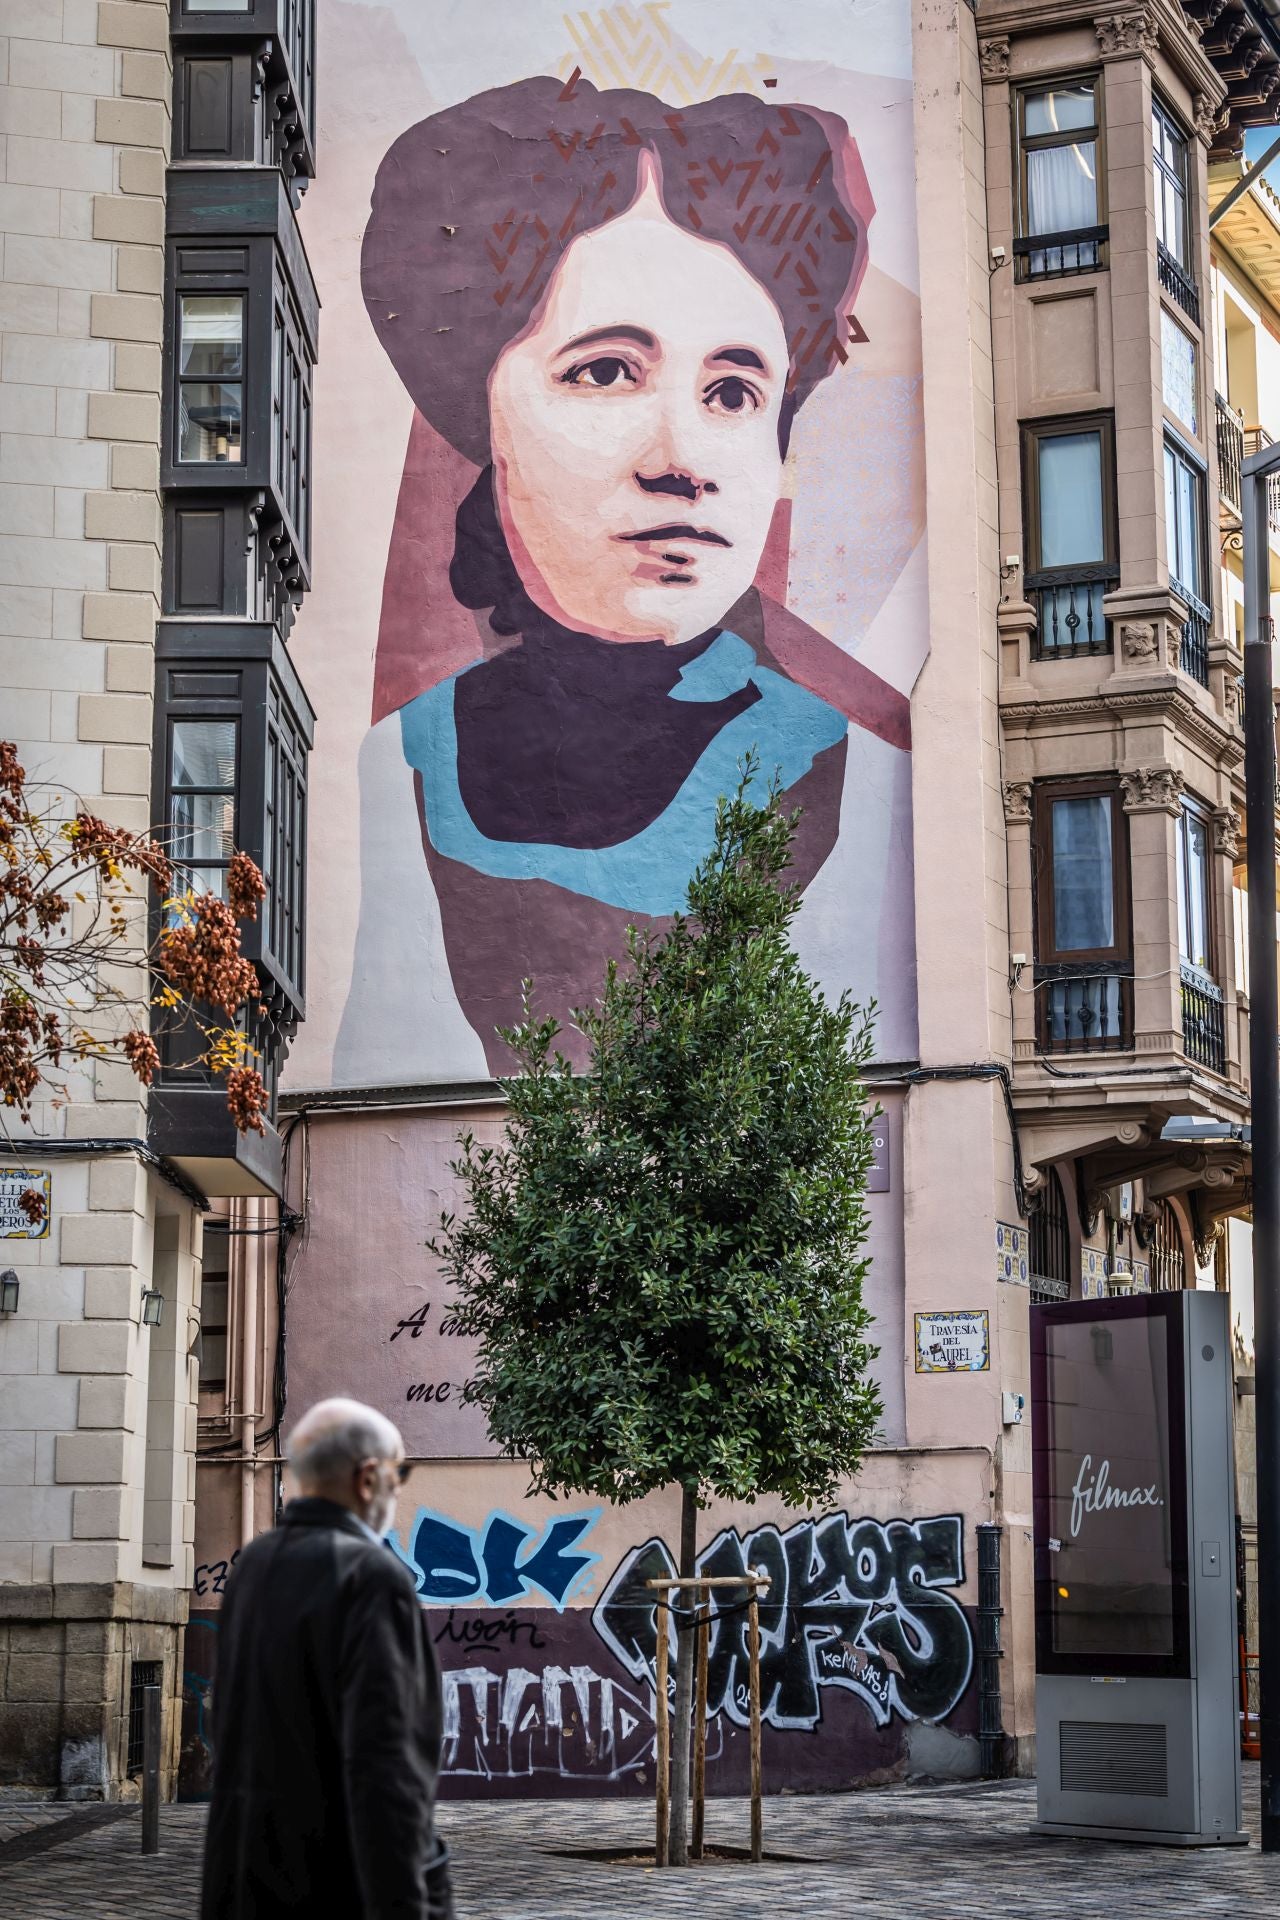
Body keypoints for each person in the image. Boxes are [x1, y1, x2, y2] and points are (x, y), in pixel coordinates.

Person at [337, 74, 918, 1081]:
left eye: (734, 390)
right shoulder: (397, 767)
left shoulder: (861, 781)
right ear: (484, 418)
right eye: (605, 371)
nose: (680, 456)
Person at [199, 1398, 453, 1920]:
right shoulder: (372, 1577)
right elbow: (387, 1769)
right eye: (399, 1473)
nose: (399, 1490)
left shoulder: (255, 1567)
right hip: (340, 1889)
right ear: (368, 1478)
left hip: (247, 1885)